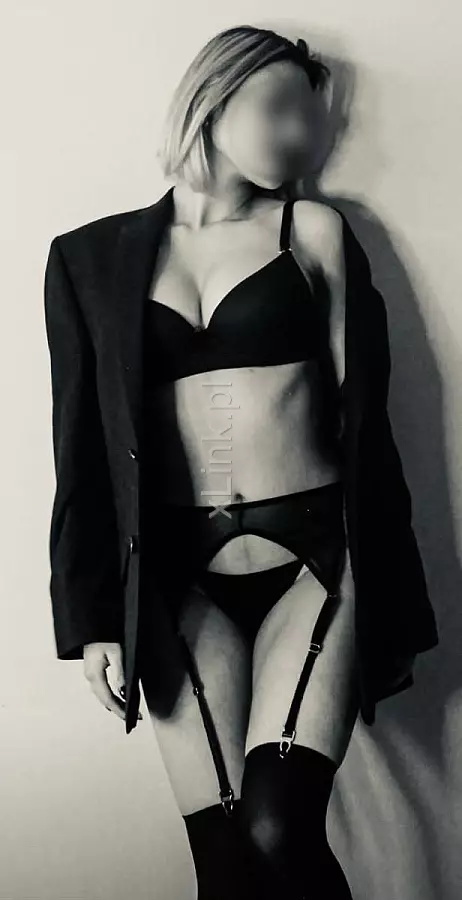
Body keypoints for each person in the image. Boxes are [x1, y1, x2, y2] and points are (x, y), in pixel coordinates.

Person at [44, 24, 439, 900]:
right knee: (225, 865)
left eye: (312, 119)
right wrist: (91, 617)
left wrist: (396, 587)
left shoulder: (315, 231)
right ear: (212, 99)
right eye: (280, 108)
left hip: (315, 563)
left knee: (276, 827)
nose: (301, 135)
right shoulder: (88, 260)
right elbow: (82, 450)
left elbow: (367, 423)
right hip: (177, 581)